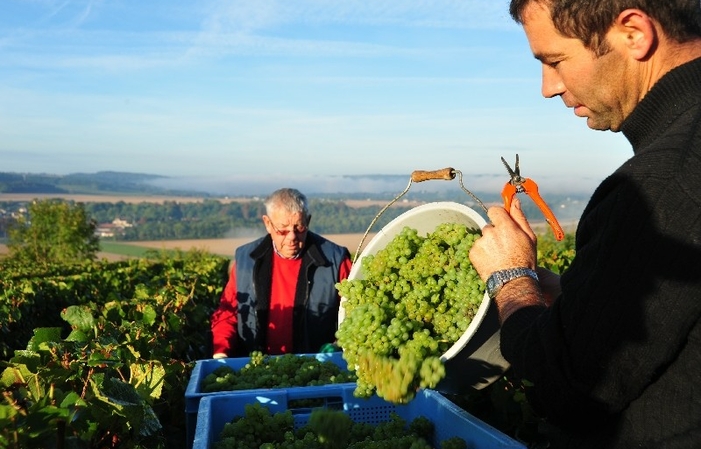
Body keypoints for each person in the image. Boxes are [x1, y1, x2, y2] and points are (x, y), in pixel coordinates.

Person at [468, 1, 701, 448]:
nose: (548, 88)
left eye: (555, 61)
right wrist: (578, 296)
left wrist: (512, 281)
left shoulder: (659, 187)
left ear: (634, 33)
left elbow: (565, 388)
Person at [211, 188, 352, 358]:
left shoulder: (335, 260)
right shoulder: (246, 262)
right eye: (283, 229)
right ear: (268, 224)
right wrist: (221, 352)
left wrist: (339, 344)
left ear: (308, 220)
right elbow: (228, 313)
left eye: (299, 227)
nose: (292, 236)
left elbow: (355, 312)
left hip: (318, 371)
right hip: (257, 369)